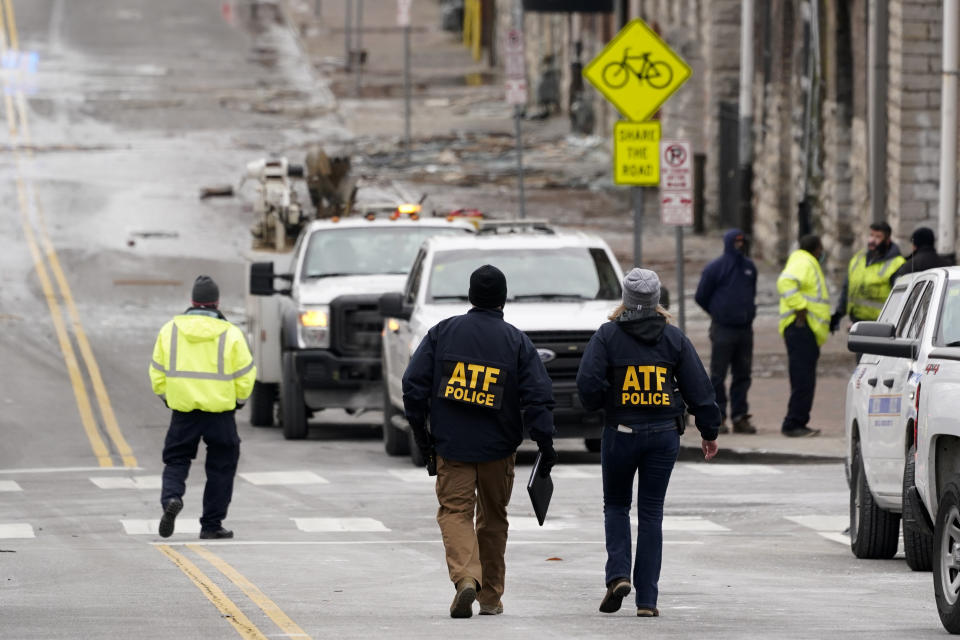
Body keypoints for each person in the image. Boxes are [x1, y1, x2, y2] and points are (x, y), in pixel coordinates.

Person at [401, 265, 556, 619]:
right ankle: (489, 597)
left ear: (470, 296)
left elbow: (413, 385)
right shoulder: (516, 341)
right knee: (493, 519)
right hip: (498, 450)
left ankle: (466, 578)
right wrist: (546, 444)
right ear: (503, 299)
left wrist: (421, 436)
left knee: (455, 513)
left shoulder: (442, 333)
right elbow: (538, 395)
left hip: (451, 446)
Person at [576, 268, 720, 618]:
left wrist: (605, 400)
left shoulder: (608, 336)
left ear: (625, 299)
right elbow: (699, 389)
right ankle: (647, 600)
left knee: (616, 506)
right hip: (662, 434)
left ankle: (618, 576)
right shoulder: (673, 339)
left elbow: (587, 386)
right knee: (651, 513)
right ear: (657, 302)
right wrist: (709, 431)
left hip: (621, 432)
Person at [149, 275, 256, 540]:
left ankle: (171, 499)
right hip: (220, 412)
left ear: (192, 301)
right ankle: (211, 525)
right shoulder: (231, 333)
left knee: (176, 459)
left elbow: (157, 373)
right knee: (221, 466)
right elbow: (245, 375)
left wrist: (168, 397)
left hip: (183, 411)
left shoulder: (170, 330)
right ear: (217, 302)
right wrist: (238, 402)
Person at [694, 229, 757, 434]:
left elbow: (751, 293)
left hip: (745, 329)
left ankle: (740, 416)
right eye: (736, 242)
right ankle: (718, 415)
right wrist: (718, 313)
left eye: (742, 242)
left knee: (743, 374)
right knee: (718, 374)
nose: (740, 246)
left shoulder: (749, 268)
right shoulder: (716, 268)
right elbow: (701, 295)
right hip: (723, 328)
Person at [778, 236, 830, 437]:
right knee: (803, 380)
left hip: (806, 330)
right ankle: (793, 423)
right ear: (817, 249)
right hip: (801, 328)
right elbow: (785, 282)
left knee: (804, 379)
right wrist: (800, 308)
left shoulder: (804, 261)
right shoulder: (804, 262)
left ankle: (797, 420)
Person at [831, 221, 905, 332]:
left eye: (878, 237)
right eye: (871, 235)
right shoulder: (858, 258)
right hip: (857, 322)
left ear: (887, 240)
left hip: (880, 325)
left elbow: (900, 299)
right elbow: (847, 288)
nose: (872, 240)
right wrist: (838, 314)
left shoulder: (897, 264)